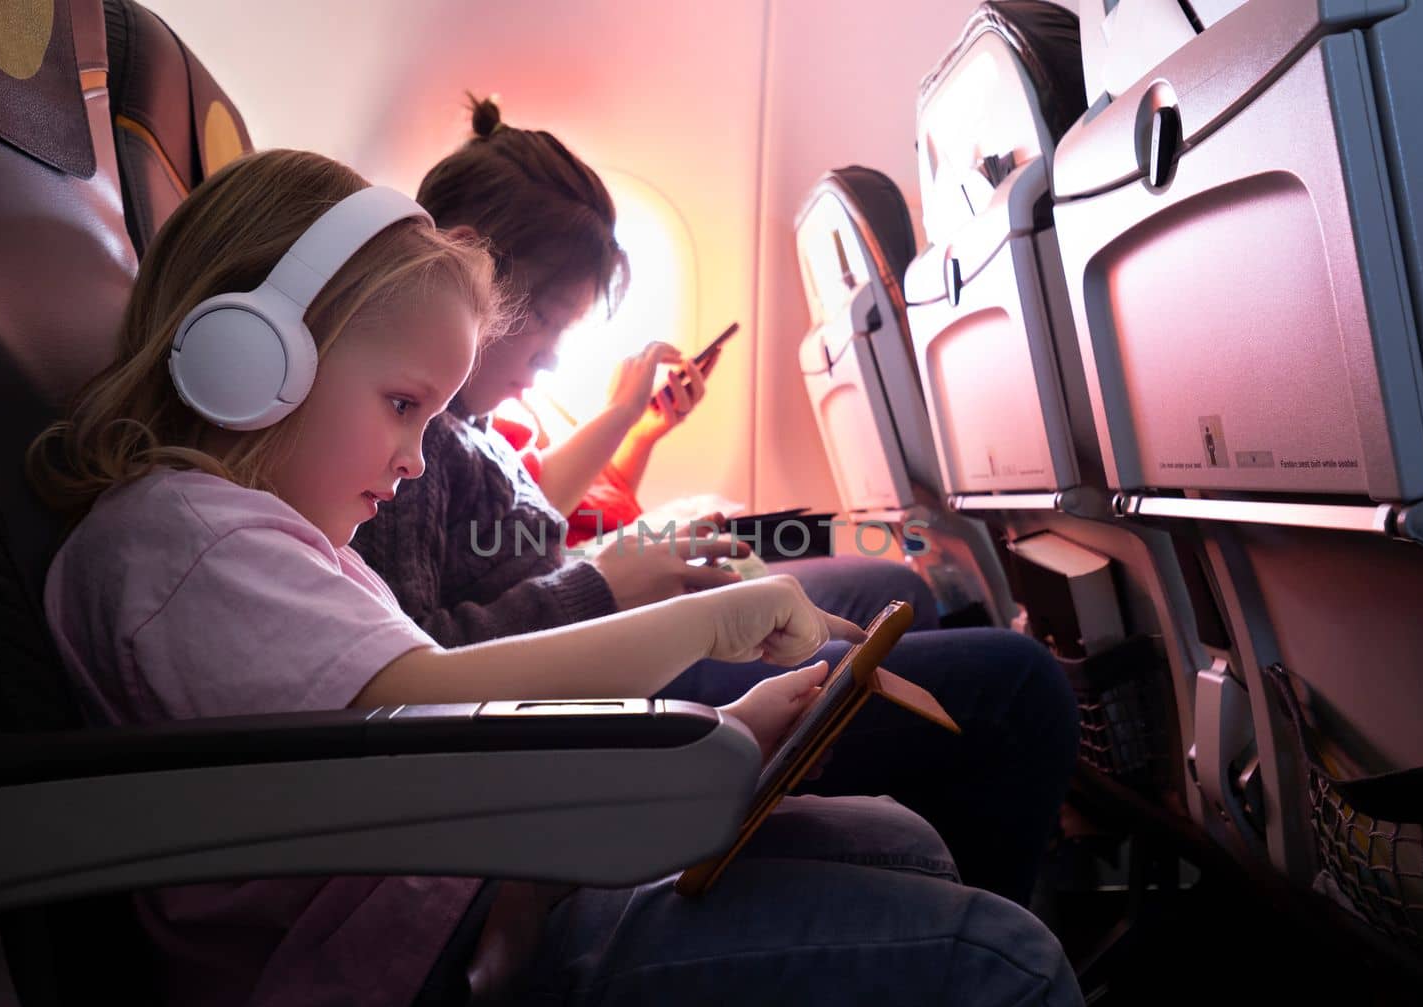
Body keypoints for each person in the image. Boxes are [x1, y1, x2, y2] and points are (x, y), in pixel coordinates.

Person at [28, 148, 1098, 1007]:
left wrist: (721, 736)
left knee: (899, 840)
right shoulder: (183, 540)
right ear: (247, 362)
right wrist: (705, 625)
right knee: (1004, 964)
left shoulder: (255, 537)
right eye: (402, 407)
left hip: (461, 903)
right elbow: (421, 711)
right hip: (402, 989)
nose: (411, 458)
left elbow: (447, 736)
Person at [352, 98, 1079, 905]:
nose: (554, 358)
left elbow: (516, 541)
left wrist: (630, 558)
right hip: (595, 686)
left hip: (604, 639)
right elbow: (426, 666)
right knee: (1017, 684)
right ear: (469, 275)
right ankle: (975, 923)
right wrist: (610, 582)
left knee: (895, 589)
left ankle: (912, 875)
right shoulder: (406, 436)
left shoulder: (471, 423)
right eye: (548, 324)